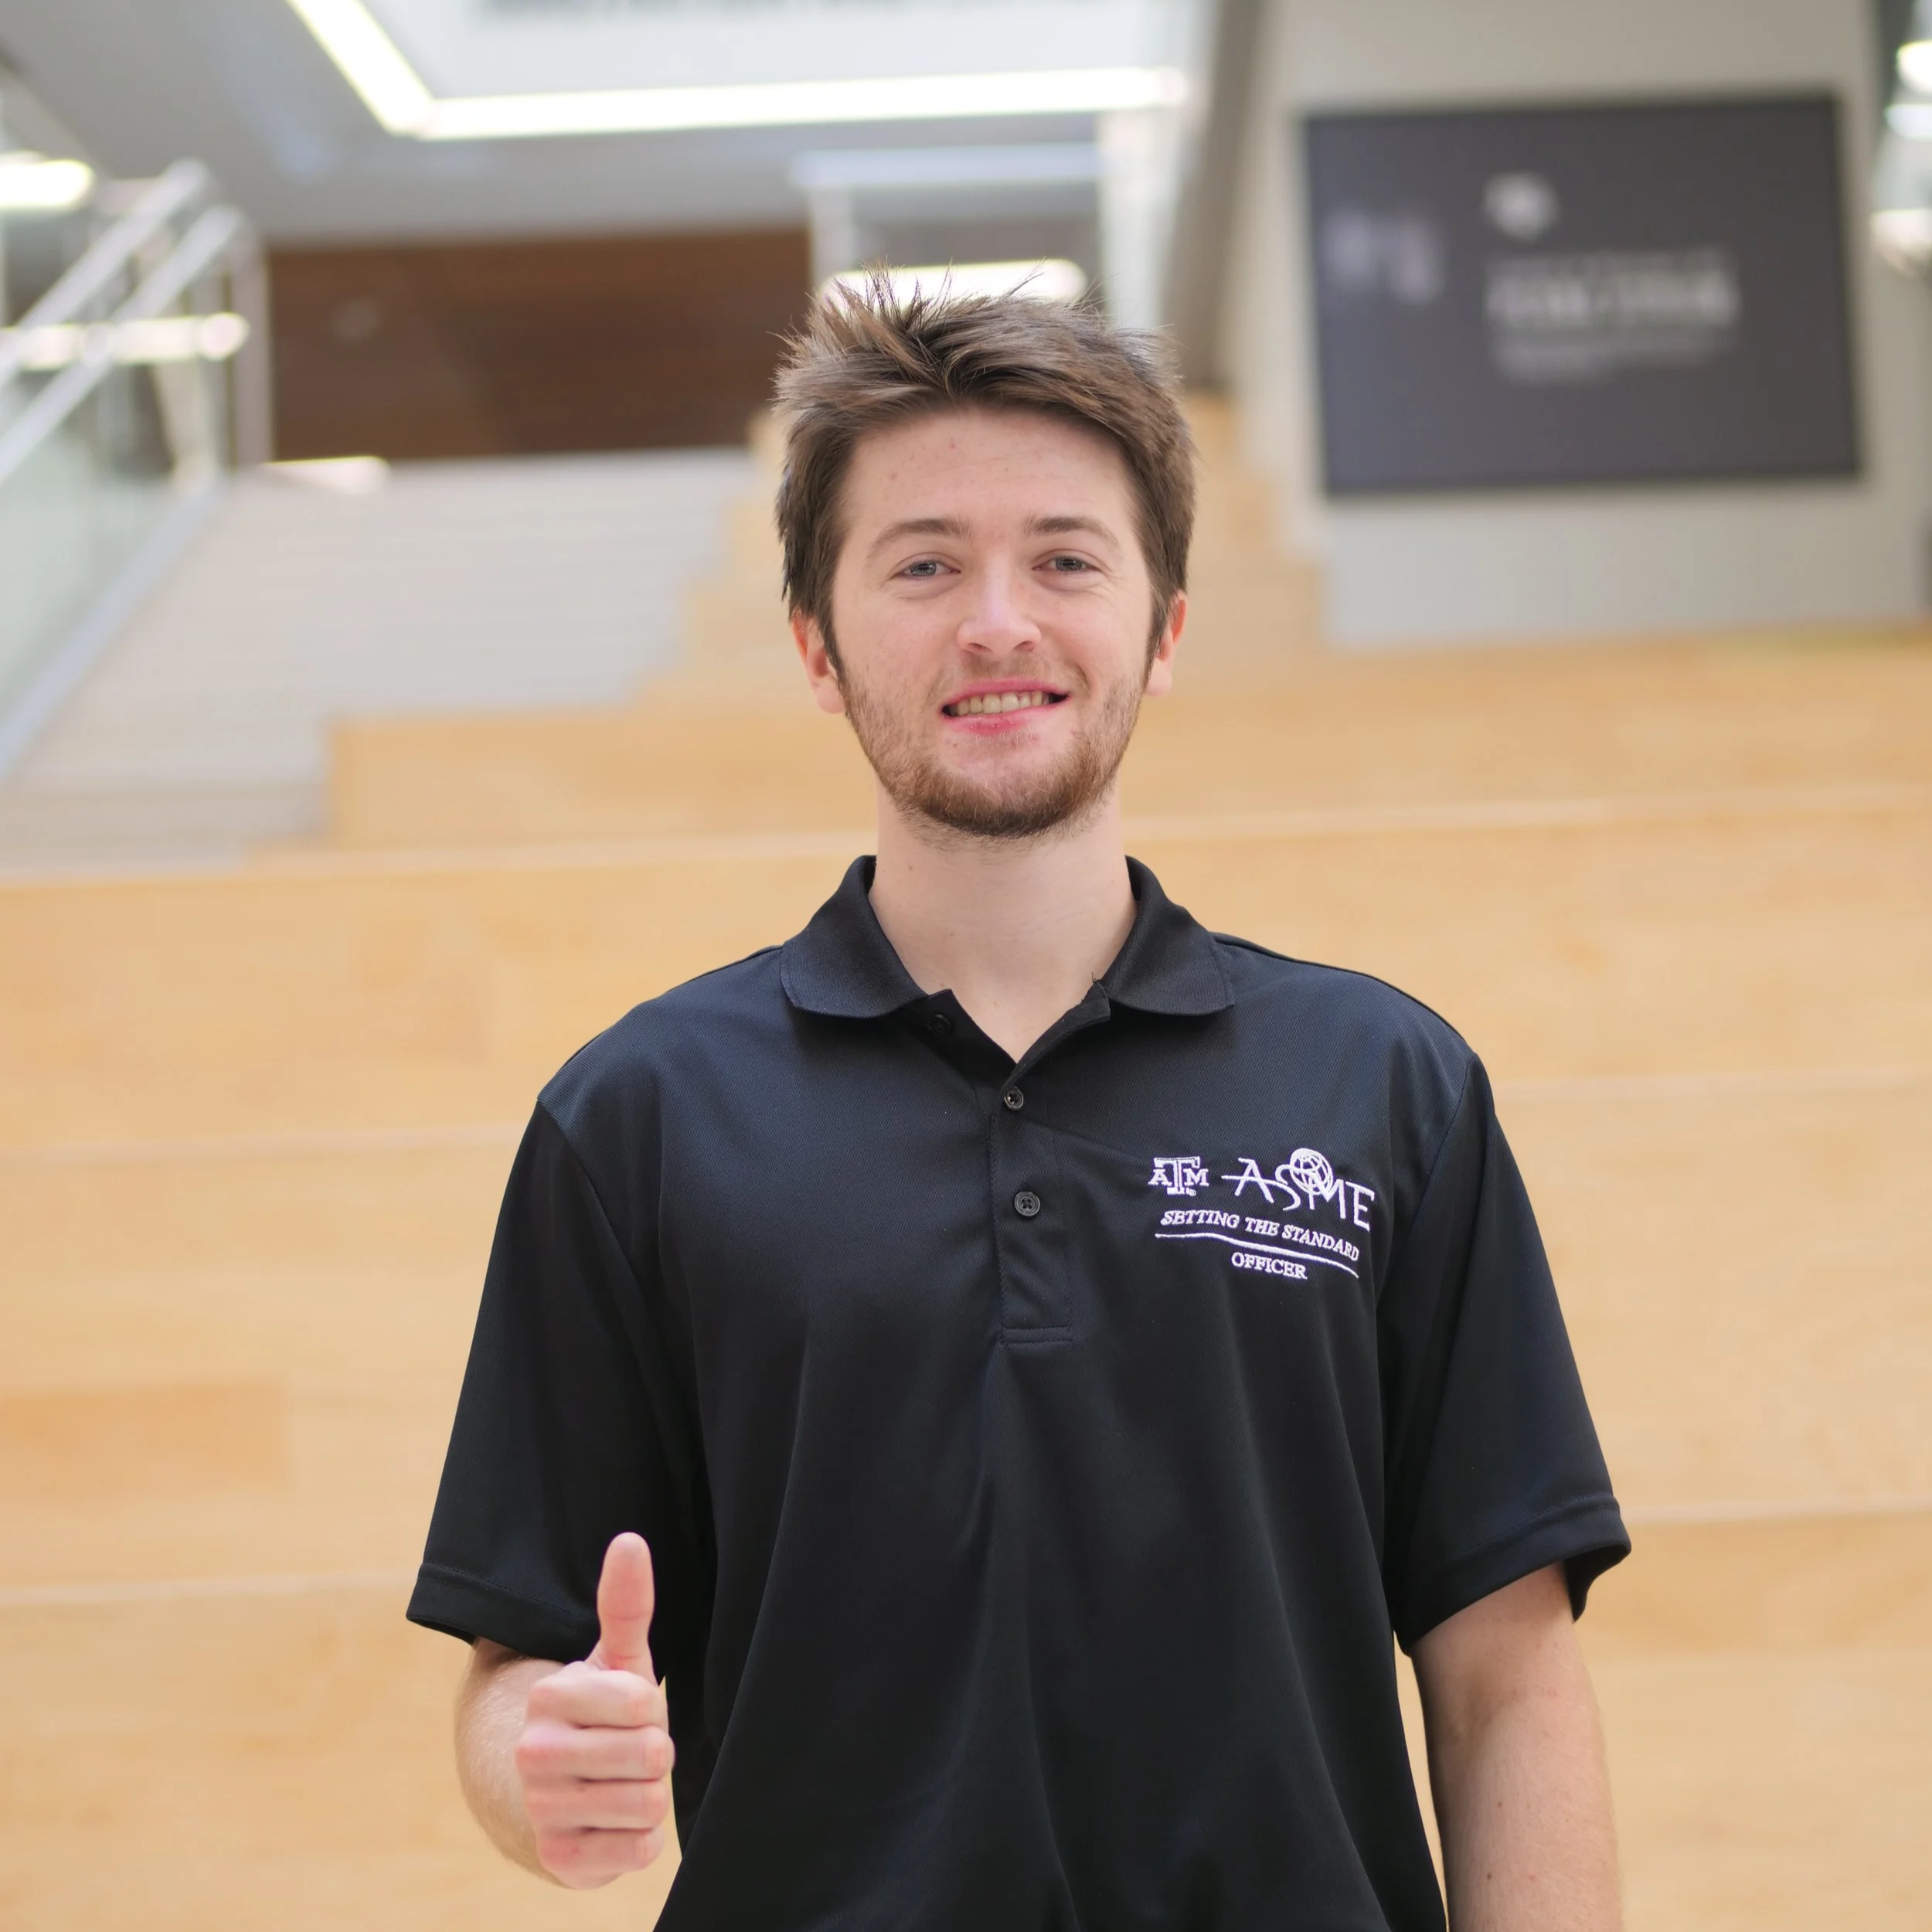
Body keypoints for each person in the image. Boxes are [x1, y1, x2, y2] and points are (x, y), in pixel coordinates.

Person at [407, 284, 1629, 1931]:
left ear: (1164, 626)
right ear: (817, 647)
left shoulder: (1382, 1082)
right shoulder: (634, 1116)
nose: (997, 621)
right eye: (921, 563)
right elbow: (519, 1655)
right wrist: (535, 1759)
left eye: (1064, 558)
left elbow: (1506, 1677)